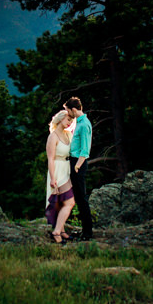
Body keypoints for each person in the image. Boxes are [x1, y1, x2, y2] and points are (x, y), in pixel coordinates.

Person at [44, 109, 75, 243]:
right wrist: (53, 178)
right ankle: (57, 231)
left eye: (71, 121)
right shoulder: (53, 136)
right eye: (68, 119)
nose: (69, 123)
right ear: (61, 118)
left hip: (66, 169)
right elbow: (50, 159)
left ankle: (61, 230)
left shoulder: (68, 135)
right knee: (69, 201)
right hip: (56, 170)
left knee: (63, 201)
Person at [64, 97, 93, 240]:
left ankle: (88, 232)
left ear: (73, 109)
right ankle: (84, 230)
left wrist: (77, 166)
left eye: (68, 110)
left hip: (78, 164)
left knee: (82, 199)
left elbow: (85, 150)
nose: (67, 113)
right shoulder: (79, 123)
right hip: (74, 163)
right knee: (78, 198)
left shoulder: (84, 125)